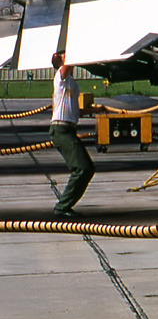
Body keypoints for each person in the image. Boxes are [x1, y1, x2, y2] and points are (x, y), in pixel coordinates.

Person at [49, 52, 94, 217]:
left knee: (88, 168)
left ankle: (65, 206)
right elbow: (69, 61)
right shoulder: (60, 78)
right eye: (64, 55)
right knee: (82, 168)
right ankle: (62, 208)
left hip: (68, 129)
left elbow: (73, 109)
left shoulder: (71, 83)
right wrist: (74, 47)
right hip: (61, 130)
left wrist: (95, 110)